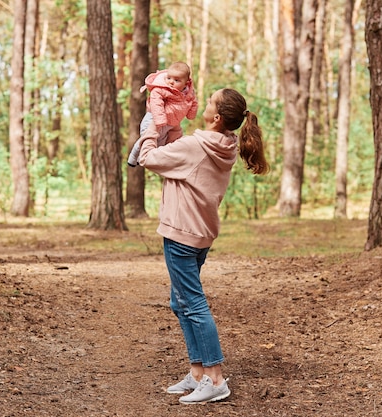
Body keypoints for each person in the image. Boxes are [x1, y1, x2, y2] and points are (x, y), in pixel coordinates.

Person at [138, 88, 269, 404]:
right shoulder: (226, 144)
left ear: (218, 117)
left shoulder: (197, 145)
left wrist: (151, 129)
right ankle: (197, 373)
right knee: (179, 302)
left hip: (182, 234)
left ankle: (215, 378)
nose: (205, 105)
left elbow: (147, 158)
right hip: (200, 234)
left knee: (192, 304)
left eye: (209, 102)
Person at [127, 62, 198, 167]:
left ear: (186, 83)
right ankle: (133, 157)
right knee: (148, 138)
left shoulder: (189, 92)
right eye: (169, 78)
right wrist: (159, 119)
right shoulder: (162, 88)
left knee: (171, 141)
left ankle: (172, 160)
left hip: (172, 122)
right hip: (154, 120)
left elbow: (193, 102)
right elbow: (156, 101)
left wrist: (191, 113)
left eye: (176, 80)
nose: (171, 82)